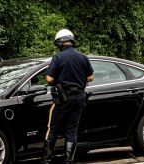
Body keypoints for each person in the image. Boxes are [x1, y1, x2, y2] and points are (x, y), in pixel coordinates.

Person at [42, 29, 94, 164]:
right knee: (72, 129)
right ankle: (69, 160)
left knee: (52, 128)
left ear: (60, 42)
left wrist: (60, 79)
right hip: (79, 97)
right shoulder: (82, 57)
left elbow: (49, 79)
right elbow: (90, 77)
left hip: (63, 97)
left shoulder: (58, 57)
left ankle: (46, 160)